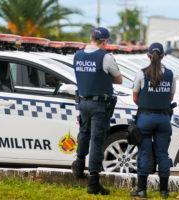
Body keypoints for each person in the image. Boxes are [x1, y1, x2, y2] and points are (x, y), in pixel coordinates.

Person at [71, 27, 122, 195]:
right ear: (104, 41)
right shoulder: (105, 57)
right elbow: (119, 79)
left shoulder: (78, 55)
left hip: (83, 102)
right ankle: (93, 182)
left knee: (84, 133)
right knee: (97, 140)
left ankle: (78, 165)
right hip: (99, 105)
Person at [131, 42, 175, 199]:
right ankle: (164, 191)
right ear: (163, 56)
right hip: (163, 118)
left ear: (148, 55)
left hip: (145, 118)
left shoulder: (141, 73)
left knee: (144, 153)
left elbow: (135, 97)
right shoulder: (170, 74)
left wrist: (146, 105)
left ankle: (142, 190)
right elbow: (170, 97)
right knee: (162, 154)